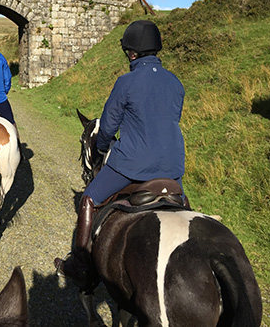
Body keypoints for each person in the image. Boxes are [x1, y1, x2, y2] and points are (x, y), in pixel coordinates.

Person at [54, 20, 186, 290]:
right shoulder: (175, 82)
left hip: (131, 164)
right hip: (172, 167)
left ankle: (80, 264)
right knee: (183, 210)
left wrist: (102, 147)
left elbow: (109, 126)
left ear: (131, 53)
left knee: (89, 198)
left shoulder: (125, 82)